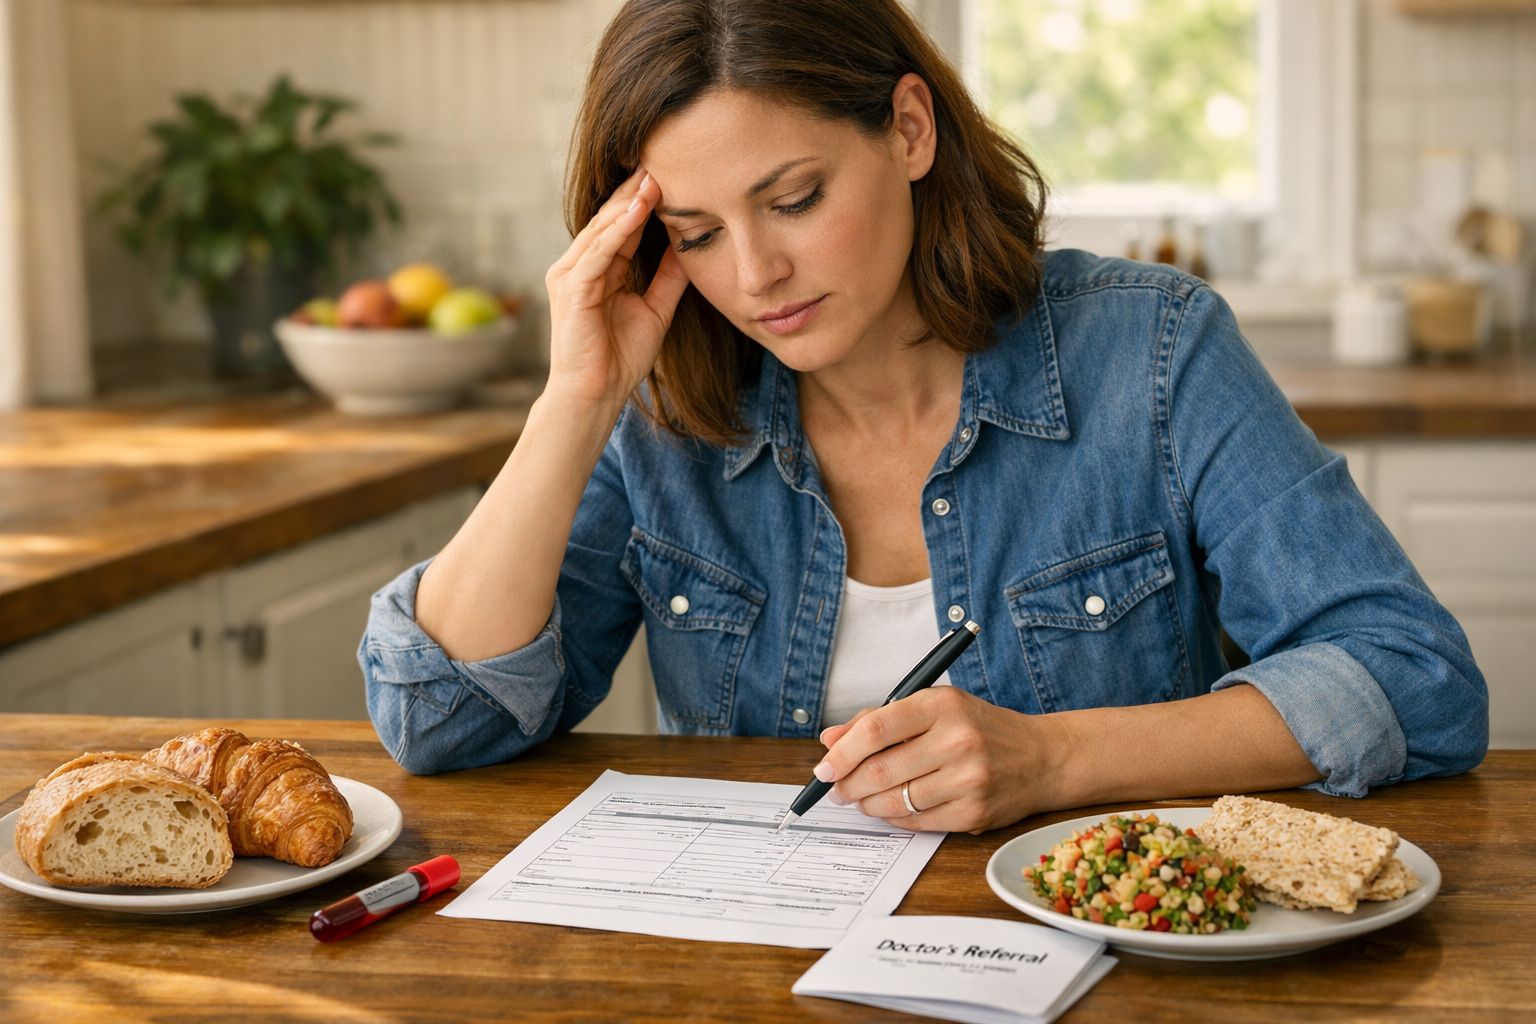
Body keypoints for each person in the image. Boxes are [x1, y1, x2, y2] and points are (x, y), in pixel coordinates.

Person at [359, 0, 1486, 833]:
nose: (755, 275)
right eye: (696, 233)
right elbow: (440, 719)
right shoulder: (665, 412)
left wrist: (1052, 760)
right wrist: (575, 402)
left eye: (794, 198)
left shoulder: (1149, 351)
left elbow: (1412, 675)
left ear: (908, 129)